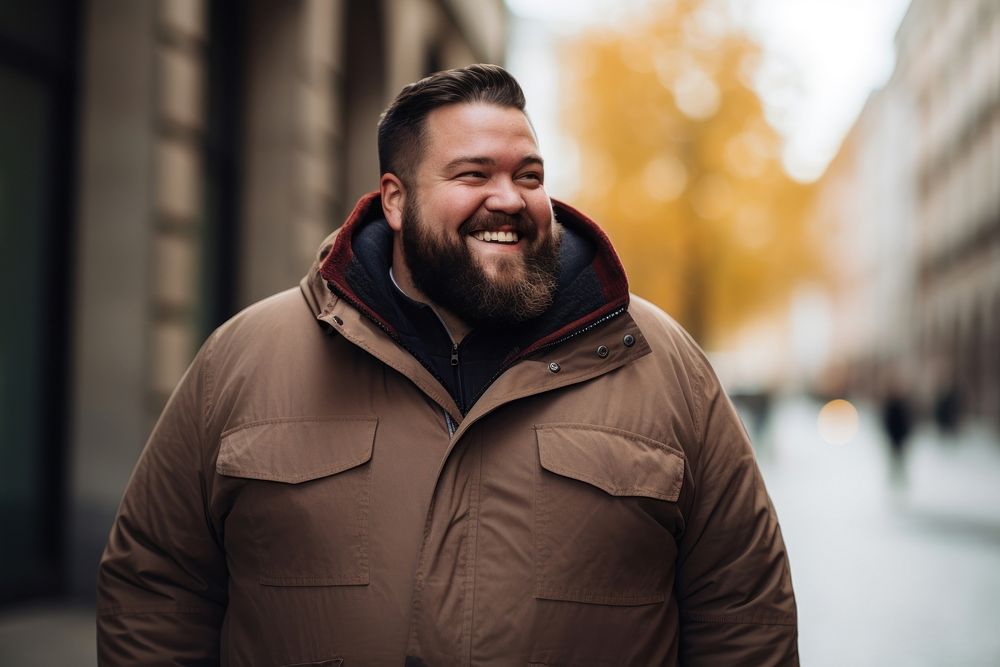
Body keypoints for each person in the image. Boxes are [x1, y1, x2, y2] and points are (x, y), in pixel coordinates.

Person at [97, 64, 797, 666]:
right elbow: (157, 585)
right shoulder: (243, 360)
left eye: (530, 175)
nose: (510, 199)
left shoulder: (664, 364)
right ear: (395, 200)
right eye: (473, 174)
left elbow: (744, 608)